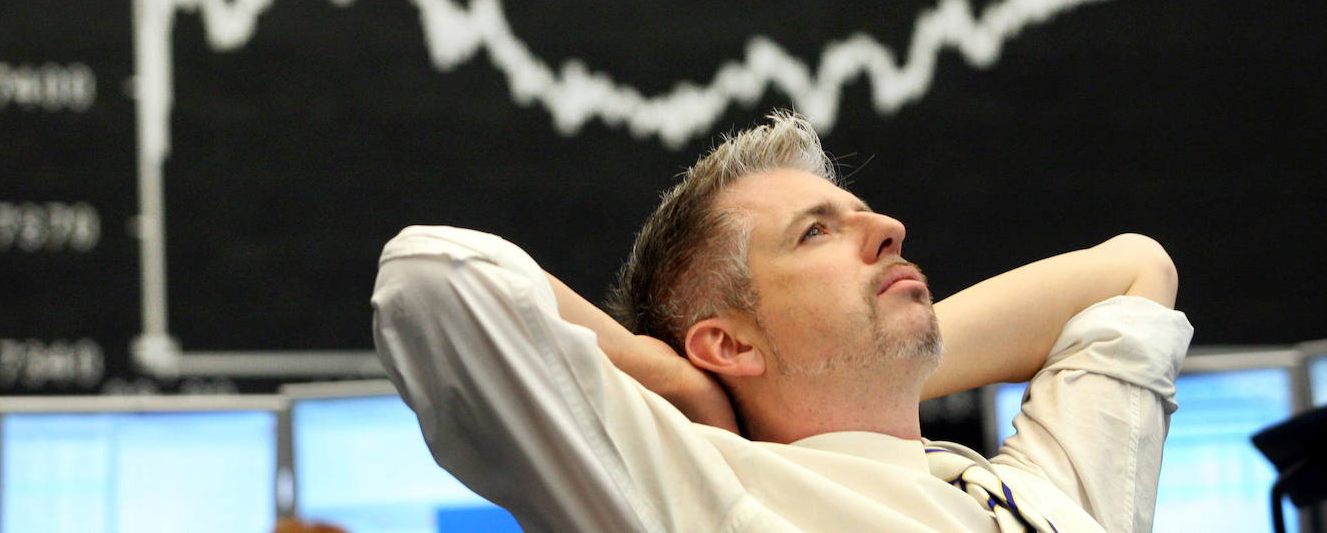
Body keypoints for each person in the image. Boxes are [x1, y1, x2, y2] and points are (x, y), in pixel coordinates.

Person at [372, 111, 1192, 532]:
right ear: (728, 342)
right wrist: (677, 385)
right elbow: (434, 276)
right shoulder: (714, 496)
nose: (889, 228)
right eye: (816, 232)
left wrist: (856, 373)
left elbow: (1135, 272)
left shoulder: (1037, 491)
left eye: (863, 211)